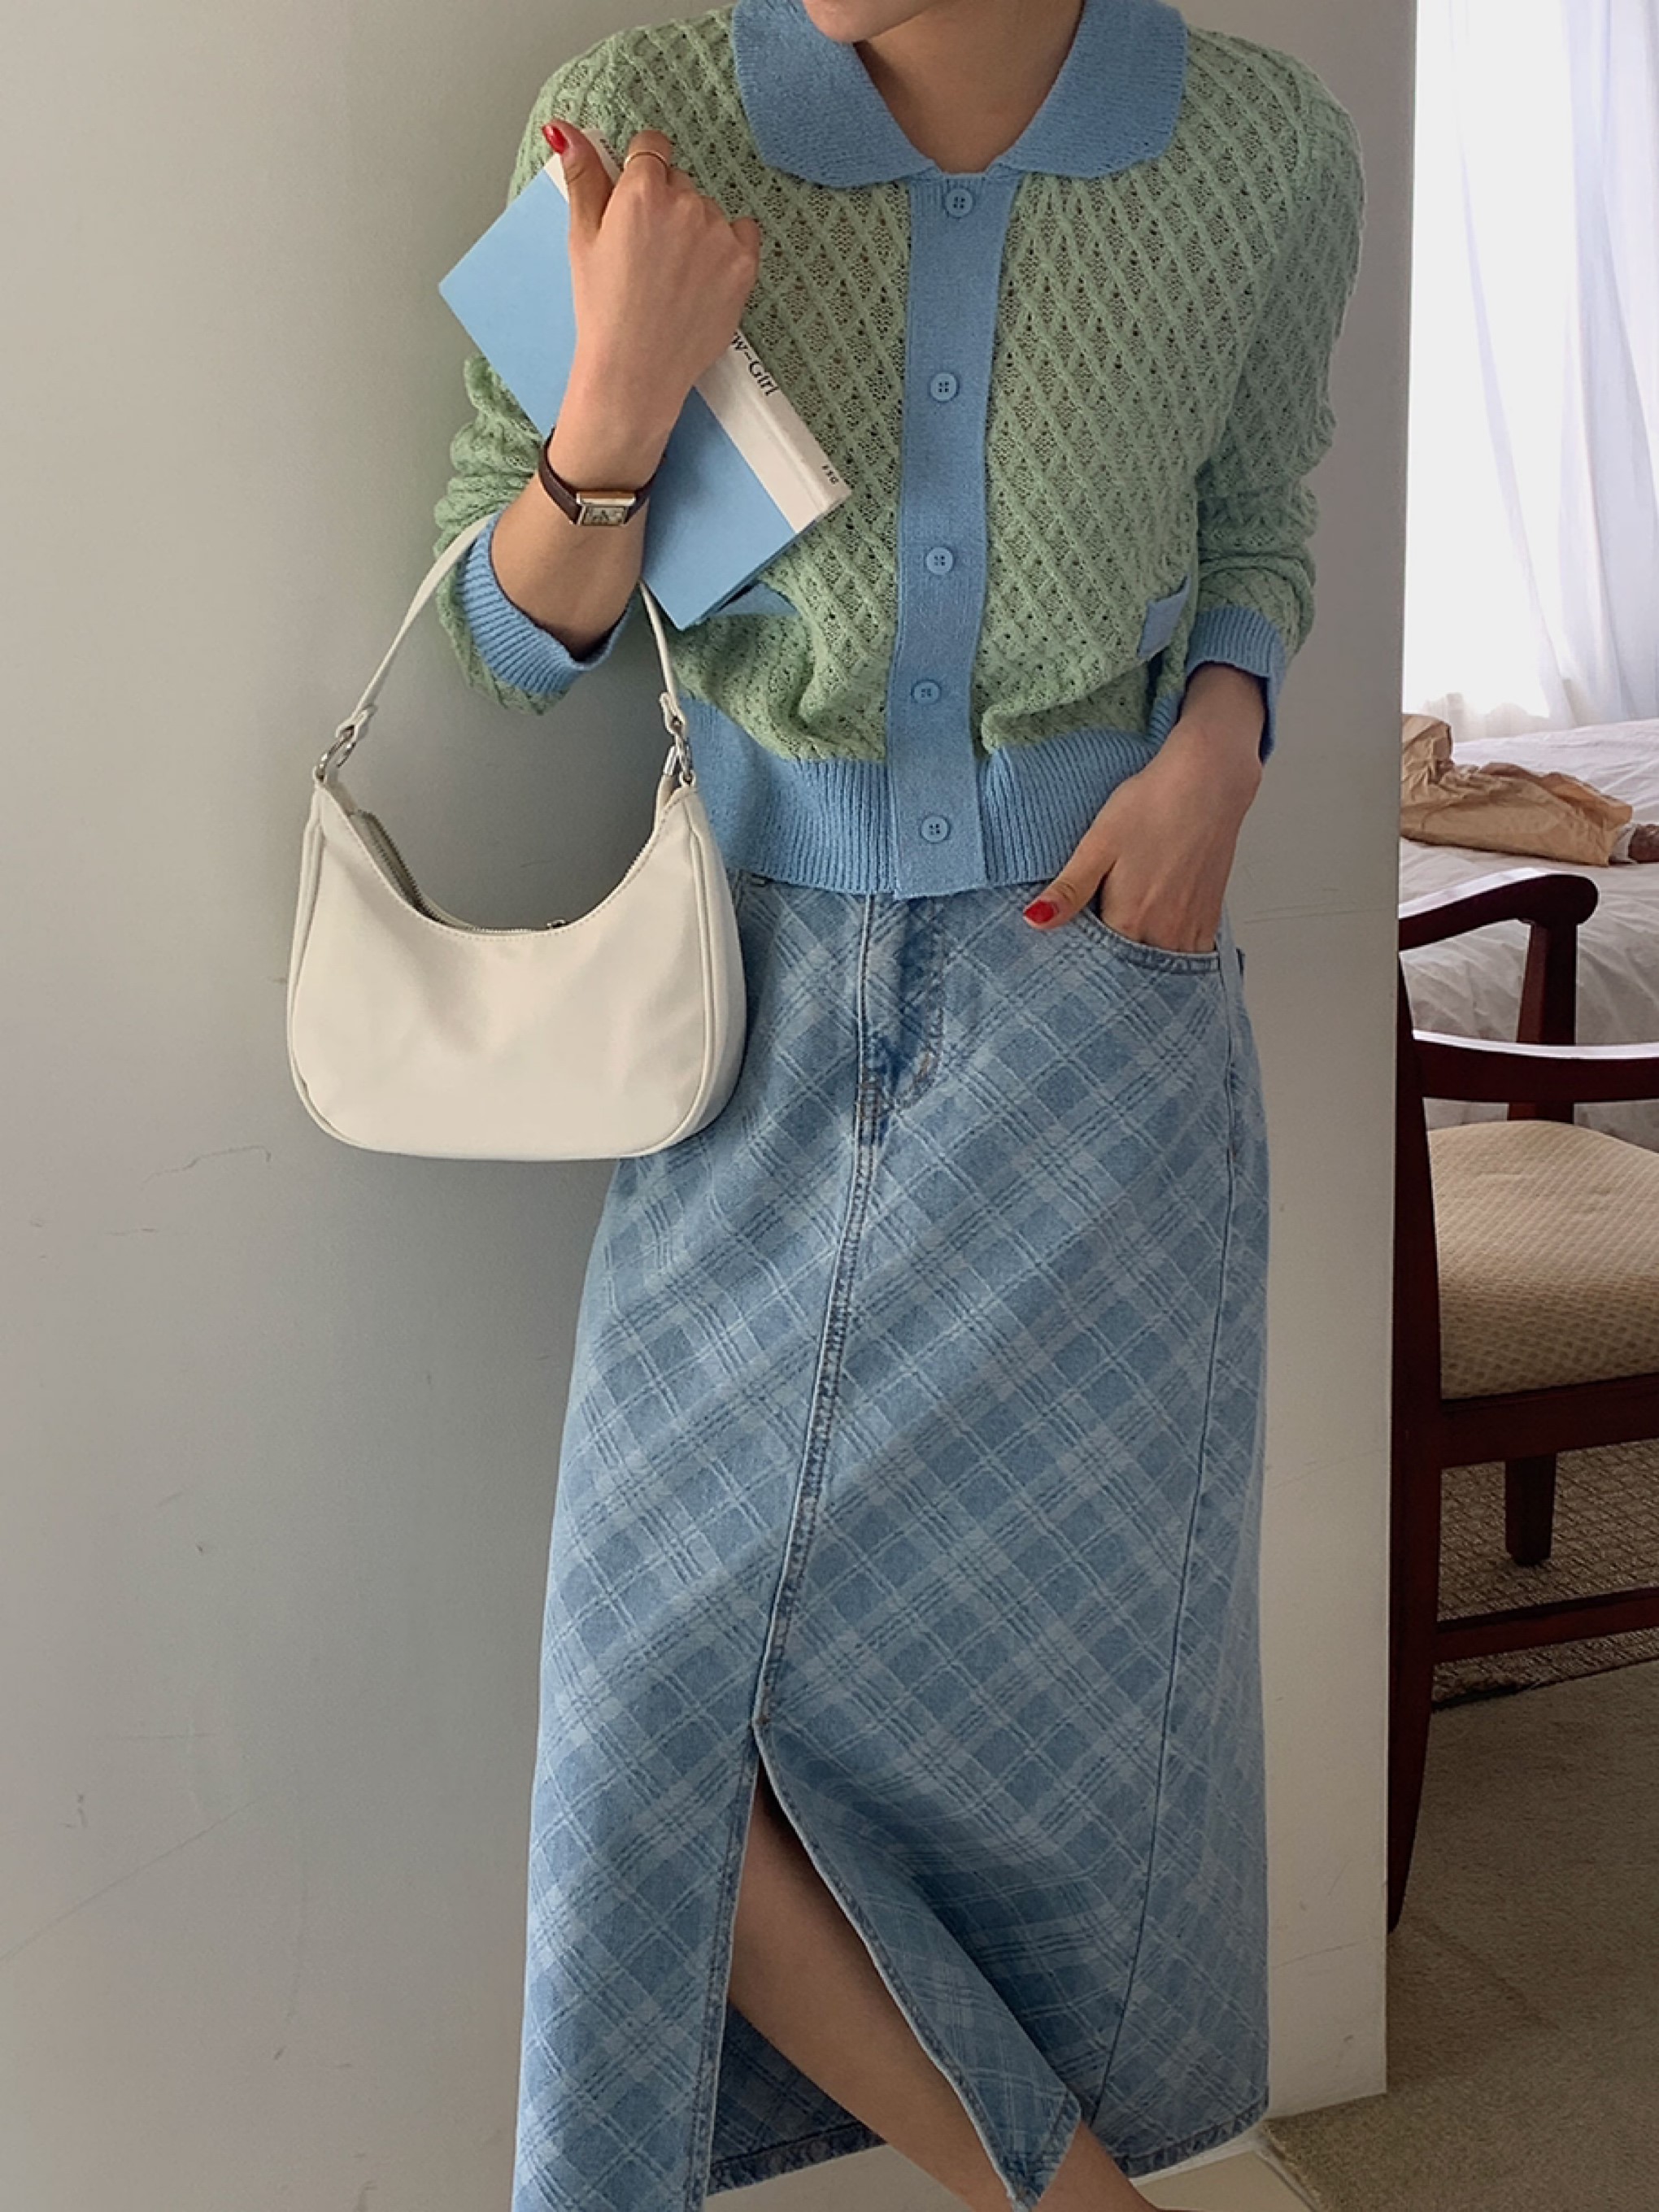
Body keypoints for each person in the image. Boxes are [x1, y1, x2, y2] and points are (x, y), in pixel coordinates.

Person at [431, 3, 1365, 2208]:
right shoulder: (639, 118)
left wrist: (1222, 743)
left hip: (1093, 1024)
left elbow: (1261, 520)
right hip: (745, 1032)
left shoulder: (1258, 146)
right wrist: (617, 403)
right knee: (646, 1706)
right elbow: (505, 641)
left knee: (1061, 1724)